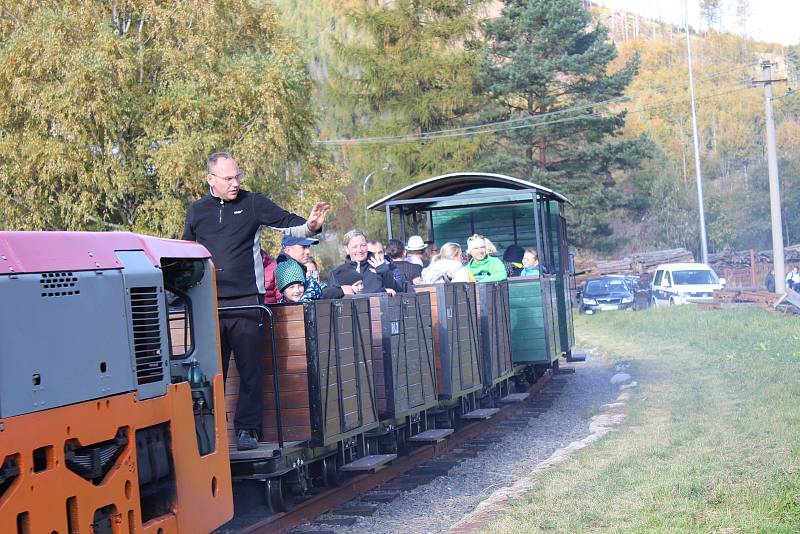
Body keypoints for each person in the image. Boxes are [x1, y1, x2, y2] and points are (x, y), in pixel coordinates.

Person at [182, 151, 330, 451]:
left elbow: (288, 223)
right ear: (211, 179)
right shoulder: (197, 210)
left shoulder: (252, 202)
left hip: (249, 302)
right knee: (211, 374)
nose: (235, 183)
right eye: (228, 178)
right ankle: (207, 434)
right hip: (209, 305)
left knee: (250, 369)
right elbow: (186, 250)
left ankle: (248, 431)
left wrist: (312, 226)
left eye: (238, 177)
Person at [328, 229, 402, 295]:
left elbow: (399, 292)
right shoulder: (337, 273)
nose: (360, 250)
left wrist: (385, 272)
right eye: (355, 247)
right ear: (347, 249)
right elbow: (330, 300)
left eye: (363, 245)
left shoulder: (380, 265)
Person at [265, 235, 323, 303]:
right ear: (288, 250)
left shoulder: (300, 269)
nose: (308, 252)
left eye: (308, 247)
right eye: (303, 247)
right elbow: (275, 306)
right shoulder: (276, 271)